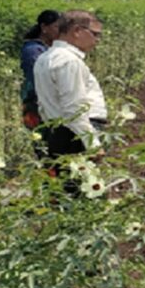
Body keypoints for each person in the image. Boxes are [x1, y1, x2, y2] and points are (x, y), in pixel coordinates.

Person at [34, 10, 107, 190]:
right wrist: (92, 144)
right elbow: (74, 108)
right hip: (76, 136)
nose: (97, 40)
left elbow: (44, 105)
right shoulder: (69, 61)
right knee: (83, 191)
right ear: (76, 31)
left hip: (57, 131)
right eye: (95, 34)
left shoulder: (44, 58)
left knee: (64, 189)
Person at [20, 10, 61, 131]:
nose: (60, 31)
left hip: (48, 104)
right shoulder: (33, 50)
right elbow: (37, 79)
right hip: (35, 103)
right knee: (41, 141)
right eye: (57, 27)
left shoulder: (48, 48)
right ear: (44, 27)